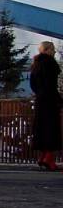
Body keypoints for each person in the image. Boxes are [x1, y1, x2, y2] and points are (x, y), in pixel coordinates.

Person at [30, 41, 61, 171]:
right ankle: (49, 159)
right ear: (47, 50)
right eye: (52, 49)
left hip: (40, 101)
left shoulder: (36, 64)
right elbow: (51, 86)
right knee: (51, 129)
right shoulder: (50, 64)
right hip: (50, 102)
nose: (54, 52)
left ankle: (43, 157)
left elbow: (33, 85)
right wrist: (59, 99)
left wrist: (40, 94)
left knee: (42, 129)